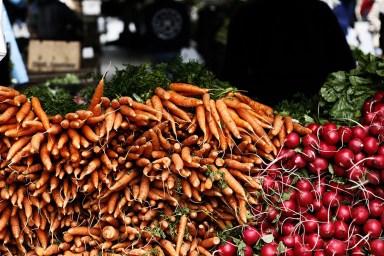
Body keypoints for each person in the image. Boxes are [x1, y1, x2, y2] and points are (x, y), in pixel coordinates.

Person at [220, 0, 357, 107]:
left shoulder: (245, 14)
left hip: (274, 109)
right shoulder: (320, 11)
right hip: (266, 112)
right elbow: (345, 66)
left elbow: (232, 74)